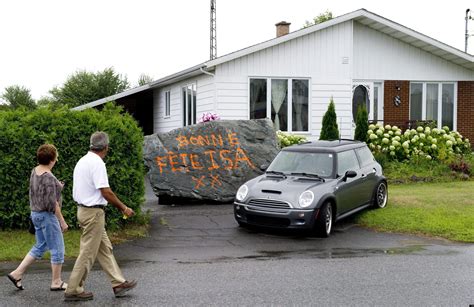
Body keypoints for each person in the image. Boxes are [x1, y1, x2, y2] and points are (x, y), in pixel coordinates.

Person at [64, 131, 137, 302]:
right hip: (94, 213)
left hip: (84, 210)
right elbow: (106, 191)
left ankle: (118, 283)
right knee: (88, 253)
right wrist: (124, 208)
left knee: (105, 249)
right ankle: (73, 289)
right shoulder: (97, 163)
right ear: (106, 147)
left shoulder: (82, 161)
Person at [7, 144, 69, 291]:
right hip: (47, 216)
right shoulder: (49, 177)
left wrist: (57, 186)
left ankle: (17, 273)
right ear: (52, 159)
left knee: (40, 246)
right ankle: (56, 282)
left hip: (35, 214)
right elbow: (52, 204)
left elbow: (39, 192)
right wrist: (62, 222)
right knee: (58, 248)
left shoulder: (35, 171)